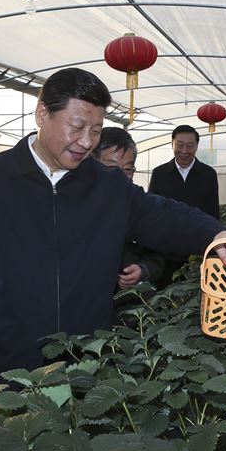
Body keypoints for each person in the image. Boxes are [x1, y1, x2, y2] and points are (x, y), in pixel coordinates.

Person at [0, 68, 226, 396]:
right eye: (77, 126)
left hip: (83, 364)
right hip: (7, 363)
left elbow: (164, 216)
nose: (86, 142)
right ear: (42, 114)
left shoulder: (106, 186)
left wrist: (216, 234)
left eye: (96, 131)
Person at [93, 127, 165, 317]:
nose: (120, 177)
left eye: (127, 170)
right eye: (111, 168)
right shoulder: (75, 205)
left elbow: (156, 255)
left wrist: (143, 270)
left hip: (130, 309)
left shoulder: (139, 206)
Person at [148, 124, 220, 287]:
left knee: (195, 297)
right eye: (179, 145)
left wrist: (214, 247)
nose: (184, 151)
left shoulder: (208, 174)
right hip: (167, 250)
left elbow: (213, 211)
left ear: (196, 146)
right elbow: (151, 211)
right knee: (164, 295)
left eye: (190, 146)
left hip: (198, 251)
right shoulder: (160, 173)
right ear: (172, 144)